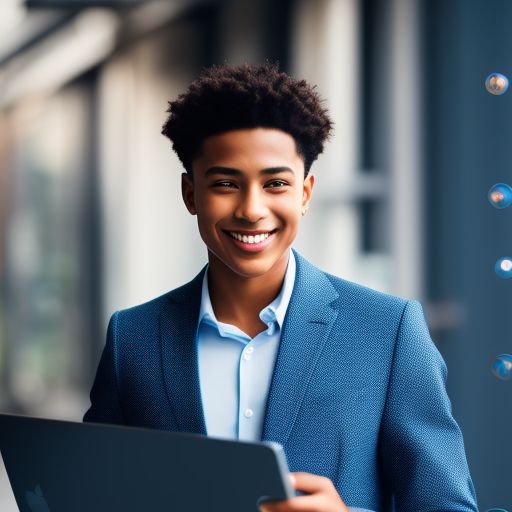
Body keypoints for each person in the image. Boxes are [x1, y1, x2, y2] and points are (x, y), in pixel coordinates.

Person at [83, 62, 478, 512]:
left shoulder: (388, 332)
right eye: (226, 184)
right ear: (190, 194)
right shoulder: (131, 338)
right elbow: (94, 493)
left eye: (275, 184)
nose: (252, 210)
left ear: (305, 194)